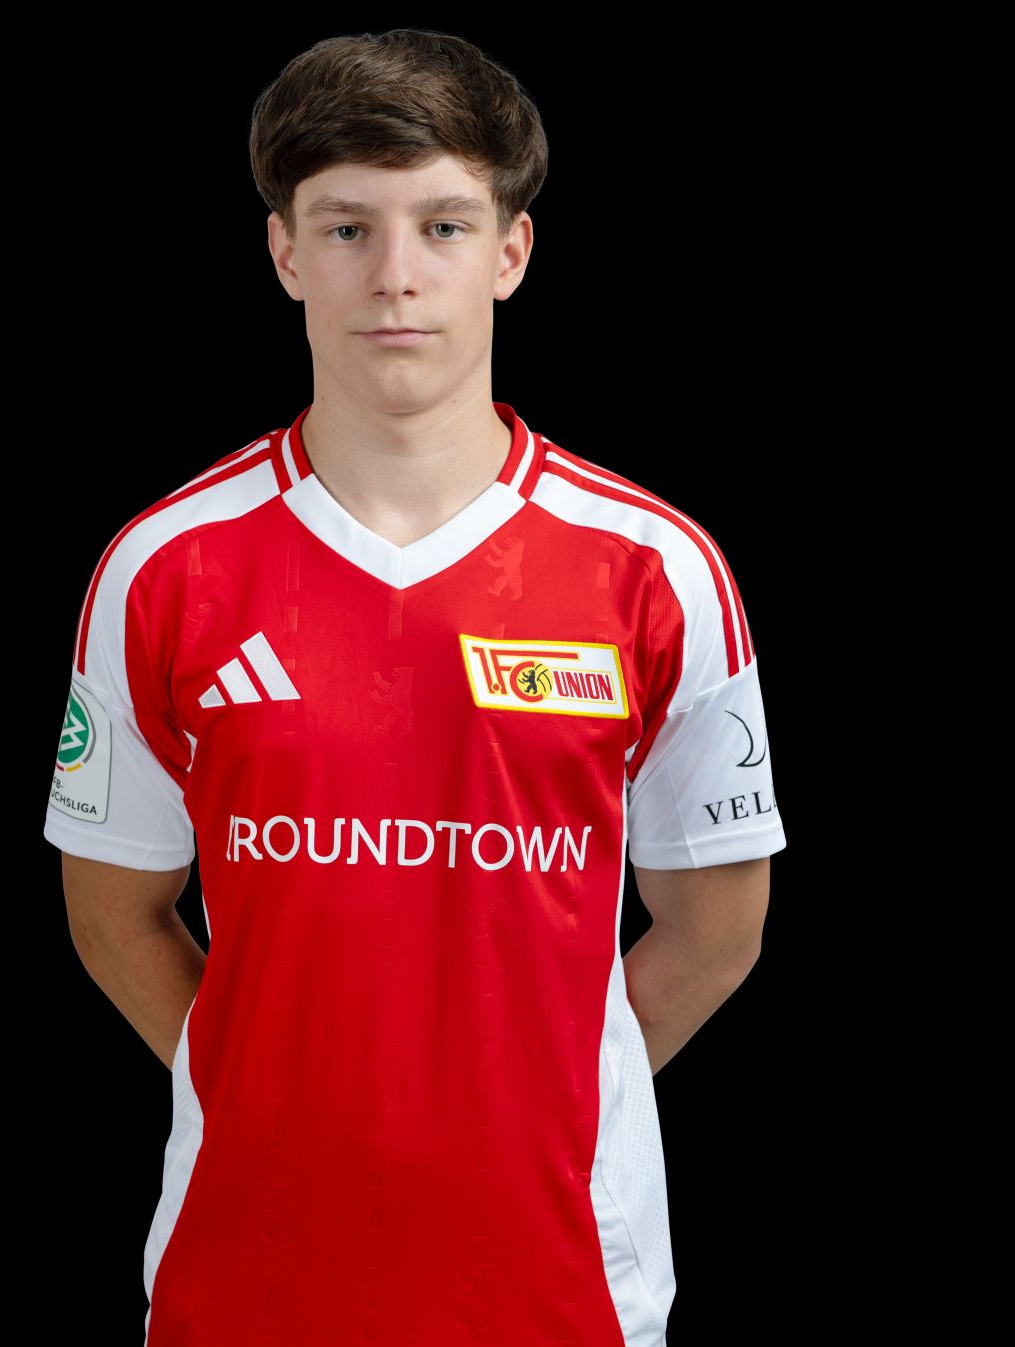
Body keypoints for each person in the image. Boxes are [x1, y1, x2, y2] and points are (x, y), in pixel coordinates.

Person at [43, 27, 786, 1347]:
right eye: (346, 229)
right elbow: (115, 917)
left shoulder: (656, 569)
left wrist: (536, 1097)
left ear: (512, 252)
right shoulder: (164, 568)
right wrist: (275, 1091)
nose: (394, 275)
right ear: (284, 253)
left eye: (443, 226)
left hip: (566, 1287)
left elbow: (717, 931)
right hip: (244, 1280)